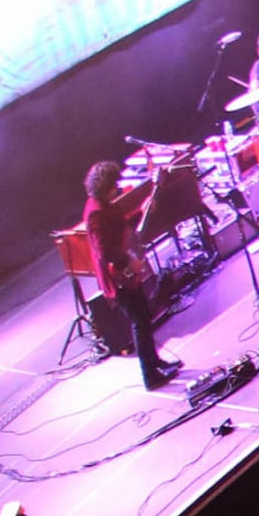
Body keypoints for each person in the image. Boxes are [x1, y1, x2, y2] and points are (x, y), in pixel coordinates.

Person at [82, 158, 171, 389]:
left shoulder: (103, 205)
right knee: (139, 323)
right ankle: (150, 376)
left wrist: (140, 212)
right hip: (118, 277)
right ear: (106, 185)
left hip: (123, 273)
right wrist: (128, 263)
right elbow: (103, 251)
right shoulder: (96, 213)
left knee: (144, 317)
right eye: (114, 184)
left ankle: (155, 362)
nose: (118, 187)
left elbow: (120, 227)